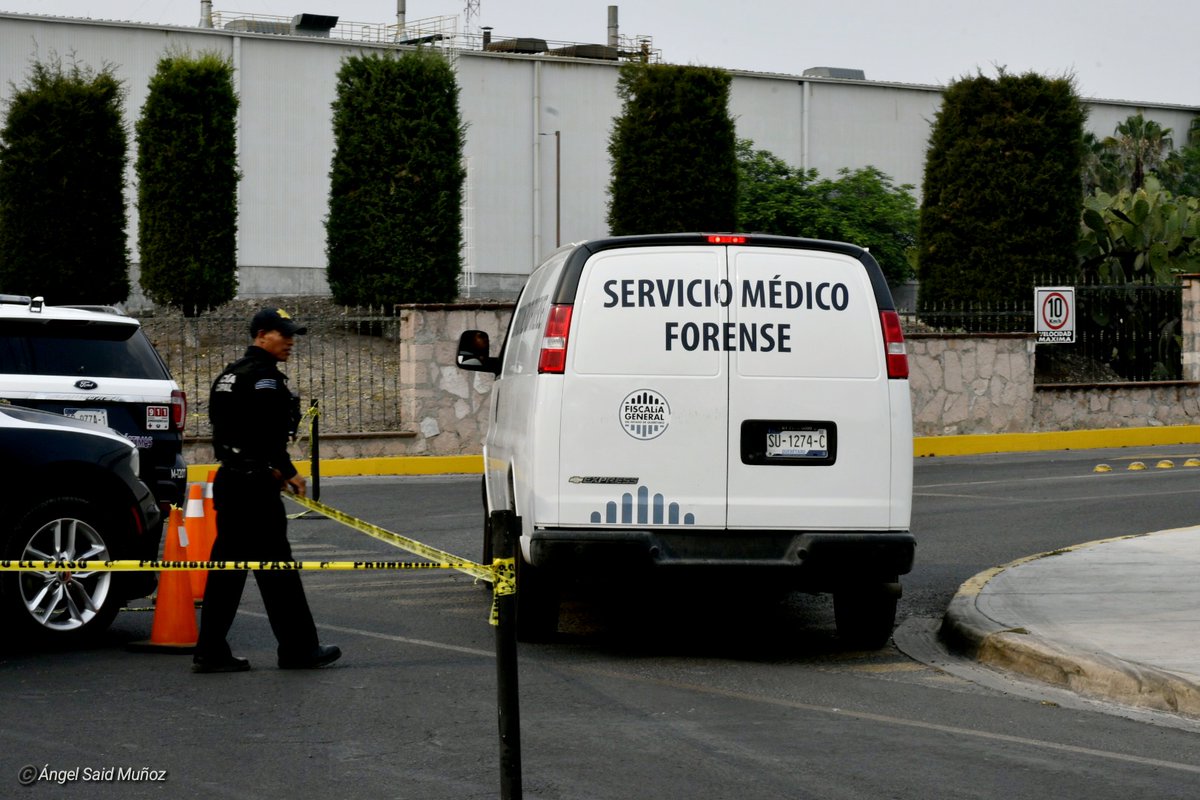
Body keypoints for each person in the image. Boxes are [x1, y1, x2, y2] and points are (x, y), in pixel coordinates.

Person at [192, 307, 341, 673]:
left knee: (227, 570)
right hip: (255, 485)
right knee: (278, 570)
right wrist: (287, 470)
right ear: (261, 335)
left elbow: (226, 429)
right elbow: (265, 431)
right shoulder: (265, 380)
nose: (290, 341)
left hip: (230, 479)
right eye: (283, 334)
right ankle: (299, 650)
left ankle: (210, 650)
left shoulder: (229, 375)